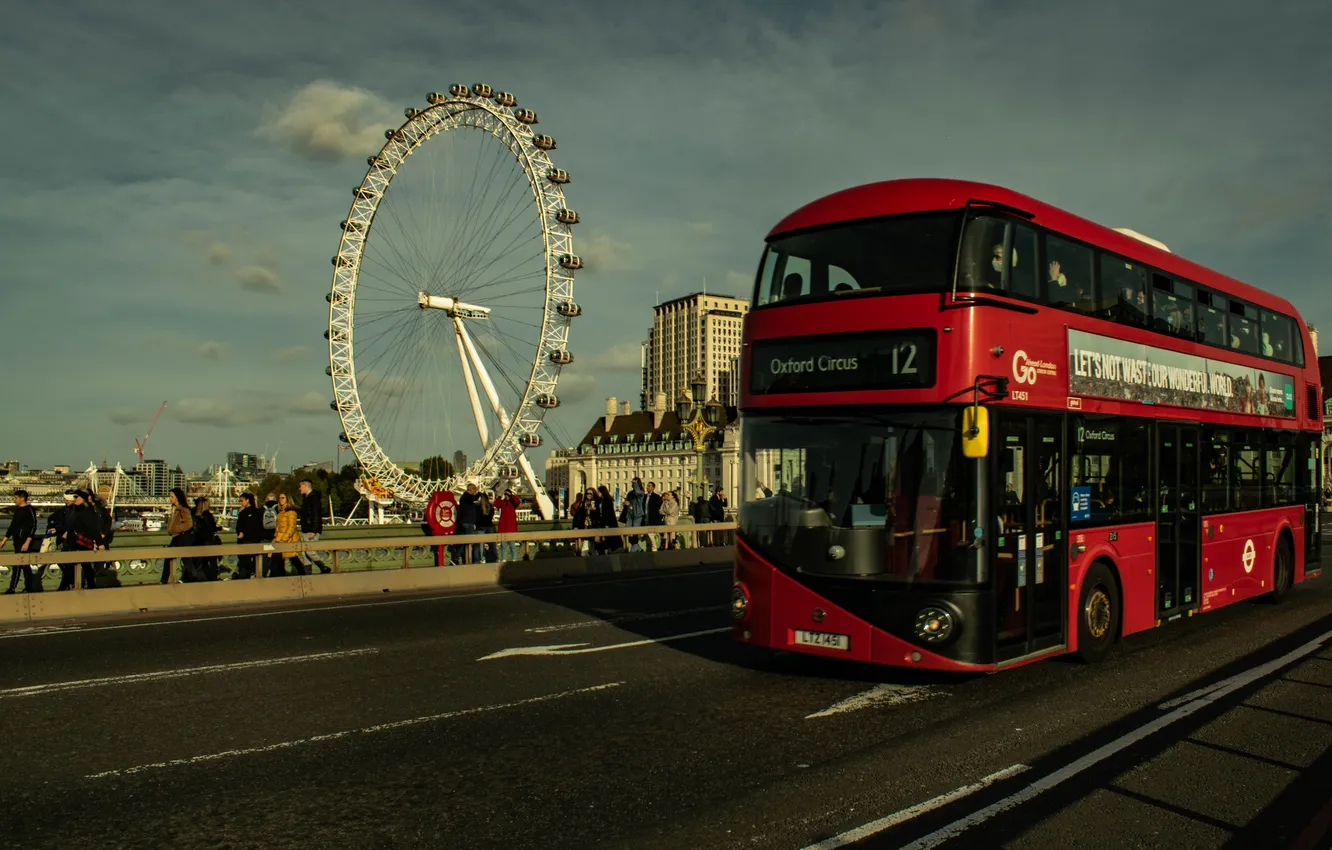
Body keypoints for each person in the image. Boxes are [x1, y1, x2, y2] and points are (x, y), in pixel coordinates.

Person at [1, 490, 38, 594]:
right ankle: (30, 587)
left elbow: (33, 527)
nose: (14, 500)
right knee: (24, 565)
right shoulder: (18, 510)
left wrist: (27, 542)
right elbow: (12, 526)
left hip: (24, 540)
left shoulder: (29, 510)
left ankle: (12, 588)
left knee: (18, 564)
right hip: (17, 540)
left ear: (22, 498)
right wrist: (4, 540)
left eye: (16, 498)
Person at [296, 479, 330, 574]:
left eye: (301, 486)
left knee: (309, 551)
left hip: (310, 530)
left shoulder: (313, 498)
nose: (299, 489)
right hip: (306, 529)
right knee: (303, 552)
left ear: (306, 486)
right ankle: (308, 573)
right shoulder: (306, 498)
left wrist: (314, 531)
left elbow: (316, 515)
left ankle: (324, 568)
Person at [161, 487, 193, 584]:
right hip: (176, 537)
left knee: (185, 560)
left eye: (172, 497)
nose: (170, 499)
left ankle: (165, 580)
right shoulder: (174, 509)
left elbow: (189, 524)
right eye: (170, 497)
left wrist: (176, 529)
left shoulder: (183, 509)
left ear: (177, 497)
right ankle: (165, 579)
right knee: (171, 557)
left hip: (182, 537)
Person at [233, 493, 264, 579]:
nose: (241, 503)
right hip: (249, 539)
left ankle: (251, 572)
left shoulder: (252, 512)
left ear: (247, 500)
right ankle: (252, 572)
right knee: (246, 557)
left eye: (242, 501)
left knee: (245, 557)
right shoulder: (244, 512)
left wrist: (243, 533)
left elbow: (252, 526)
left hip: (249, 539)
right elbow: (239, 526)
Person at [272, 492, 301, 576]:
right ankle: (280, 577)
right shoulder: (280, 512)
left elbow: (291, 528)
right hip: (279, 539)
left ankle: (302, 575)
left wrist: (283, 539)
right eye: (279, 498)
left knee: (293, 559)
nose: (280, 500)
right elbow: (278, 527)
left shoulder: (291, 512)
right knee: (278, 560)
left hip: (289, 539)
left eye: (283, 498)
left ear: (288, 500)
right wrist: (275, 537)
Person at [455, 483, 481, 564]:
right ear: (471, 489)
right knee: (468, 541)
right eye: (475, 490)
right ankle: (458, 557)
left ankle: (459, 557)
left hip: (467, 522)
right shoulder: (466, 497)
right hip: (467, 522)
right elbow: (473, 498)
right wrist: (479, 495)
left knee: (466, 541)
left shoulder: (465, 498)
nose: (475, 491)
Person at [494, 488, 520, 562]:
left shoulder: (512, 503)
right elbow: (496, 504)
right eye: (506, 495)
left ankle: (514, 558)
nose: (506, 496)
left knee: (512, 545)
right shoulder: (503, 503)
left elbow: (517, 502)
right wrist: (499, 497)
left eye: (507, 495)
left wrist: (511, 496)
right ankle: (504, 558)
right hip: (503, 527)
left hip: (511, 527)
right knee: (503, 545)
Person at [644, 481, 663, 551]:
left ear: (653, 488)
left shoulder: (656, 497)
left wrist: (659, 518)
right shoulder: (645, 496)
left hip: (653, 518)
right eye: (647, 486)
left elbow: (660, 508)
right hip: (646, 518)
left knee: (650, 534)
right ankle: (650, 548)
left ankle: (654, 548)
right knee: (647, 534)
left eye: (649, 486)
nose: (647, 487)